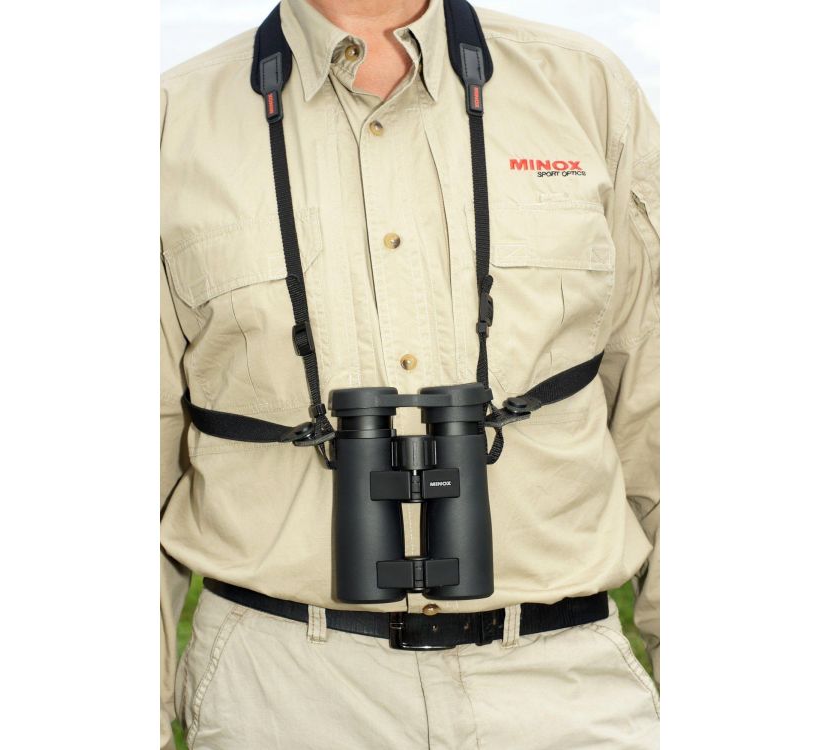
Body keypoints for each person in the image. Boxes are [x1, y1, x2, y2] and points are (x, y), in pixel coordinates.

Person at [160, 0, 660, 747]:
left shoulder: (584, 89)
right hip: (281, 690)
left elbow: (661, 407)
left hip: (563, 686)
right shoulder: (173, 122)